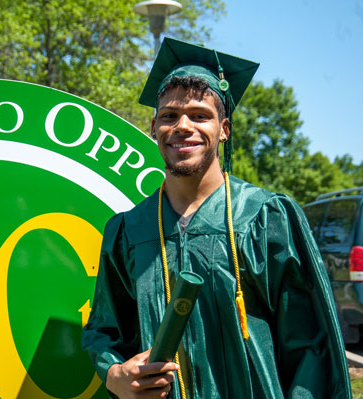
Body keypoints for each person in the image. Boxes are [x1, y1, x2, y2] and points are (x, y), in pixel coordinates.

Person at [81, 37, 351, 399]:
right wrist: (114, 373)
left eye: (200, 115)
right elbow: (104, 330)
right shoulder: (128, 231)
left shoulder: (266, 219)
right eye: (169, 116)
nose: (182, 126)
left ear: (224, 130)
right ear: (153, 127)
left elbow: (309, 349)